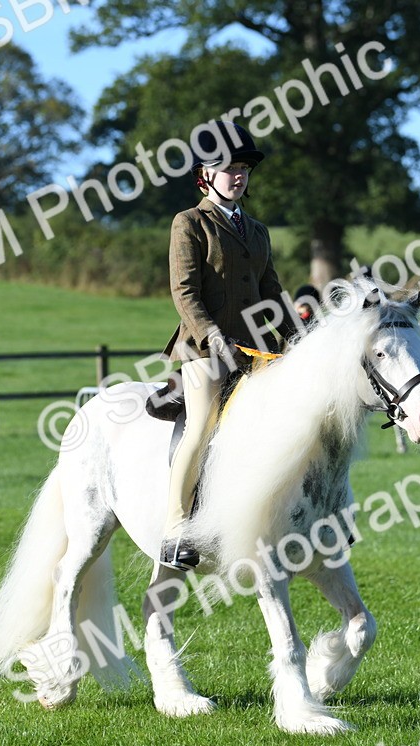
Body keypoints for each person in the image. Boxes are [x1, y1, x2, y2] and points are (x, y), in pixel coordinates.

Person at [158, 121, 297, 571]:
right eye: (227, 167)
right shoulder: (190, 223)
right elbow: (185, 292)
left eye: (243, 168)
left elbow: (272, 290)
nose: (238, 175)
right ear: (205, 173)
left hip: (257, 350)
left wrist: (297, 334)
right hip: (204, 350)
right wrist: (213, 336)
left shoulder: (257, 231)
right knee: (202, 425)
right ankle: (176, 527)